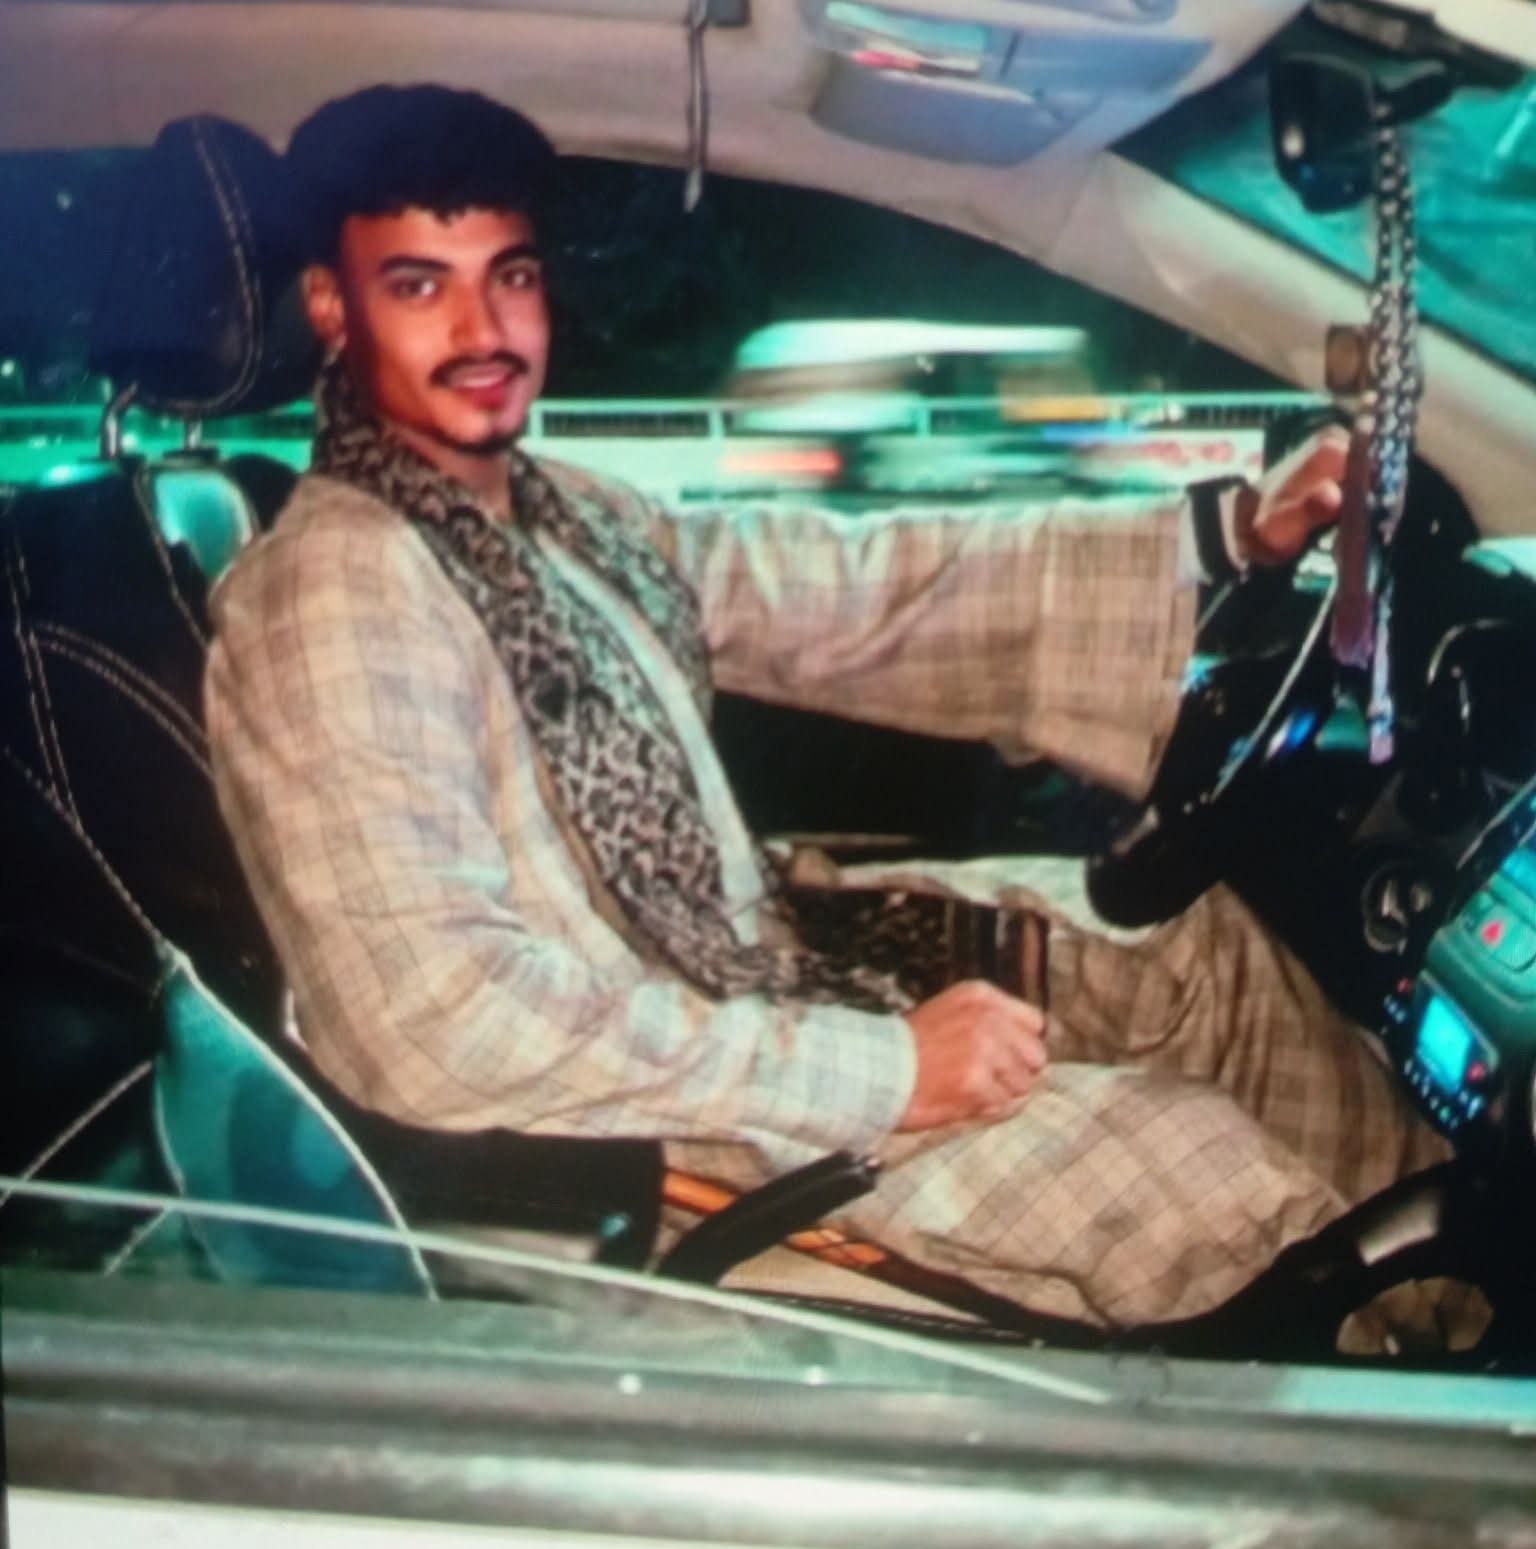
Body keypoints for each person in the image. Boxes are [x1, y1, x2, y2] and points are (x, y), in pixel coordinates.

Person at [205, 83, 1448, 1330]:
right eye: (420, 285)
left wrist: (1221, 536)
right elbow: (440, 1020)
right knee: (1198, 1182)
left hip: (755, 984)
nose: (483, 329)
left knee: (1197, 958)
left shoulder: (558, 512)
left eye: (510, 276)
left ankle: (1470, 1307)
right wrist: (885, 1070)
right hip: (681, 1145)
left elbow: (854, 592)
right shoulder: (334, 593)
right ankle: (1436, 1417)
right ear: (332, 307)